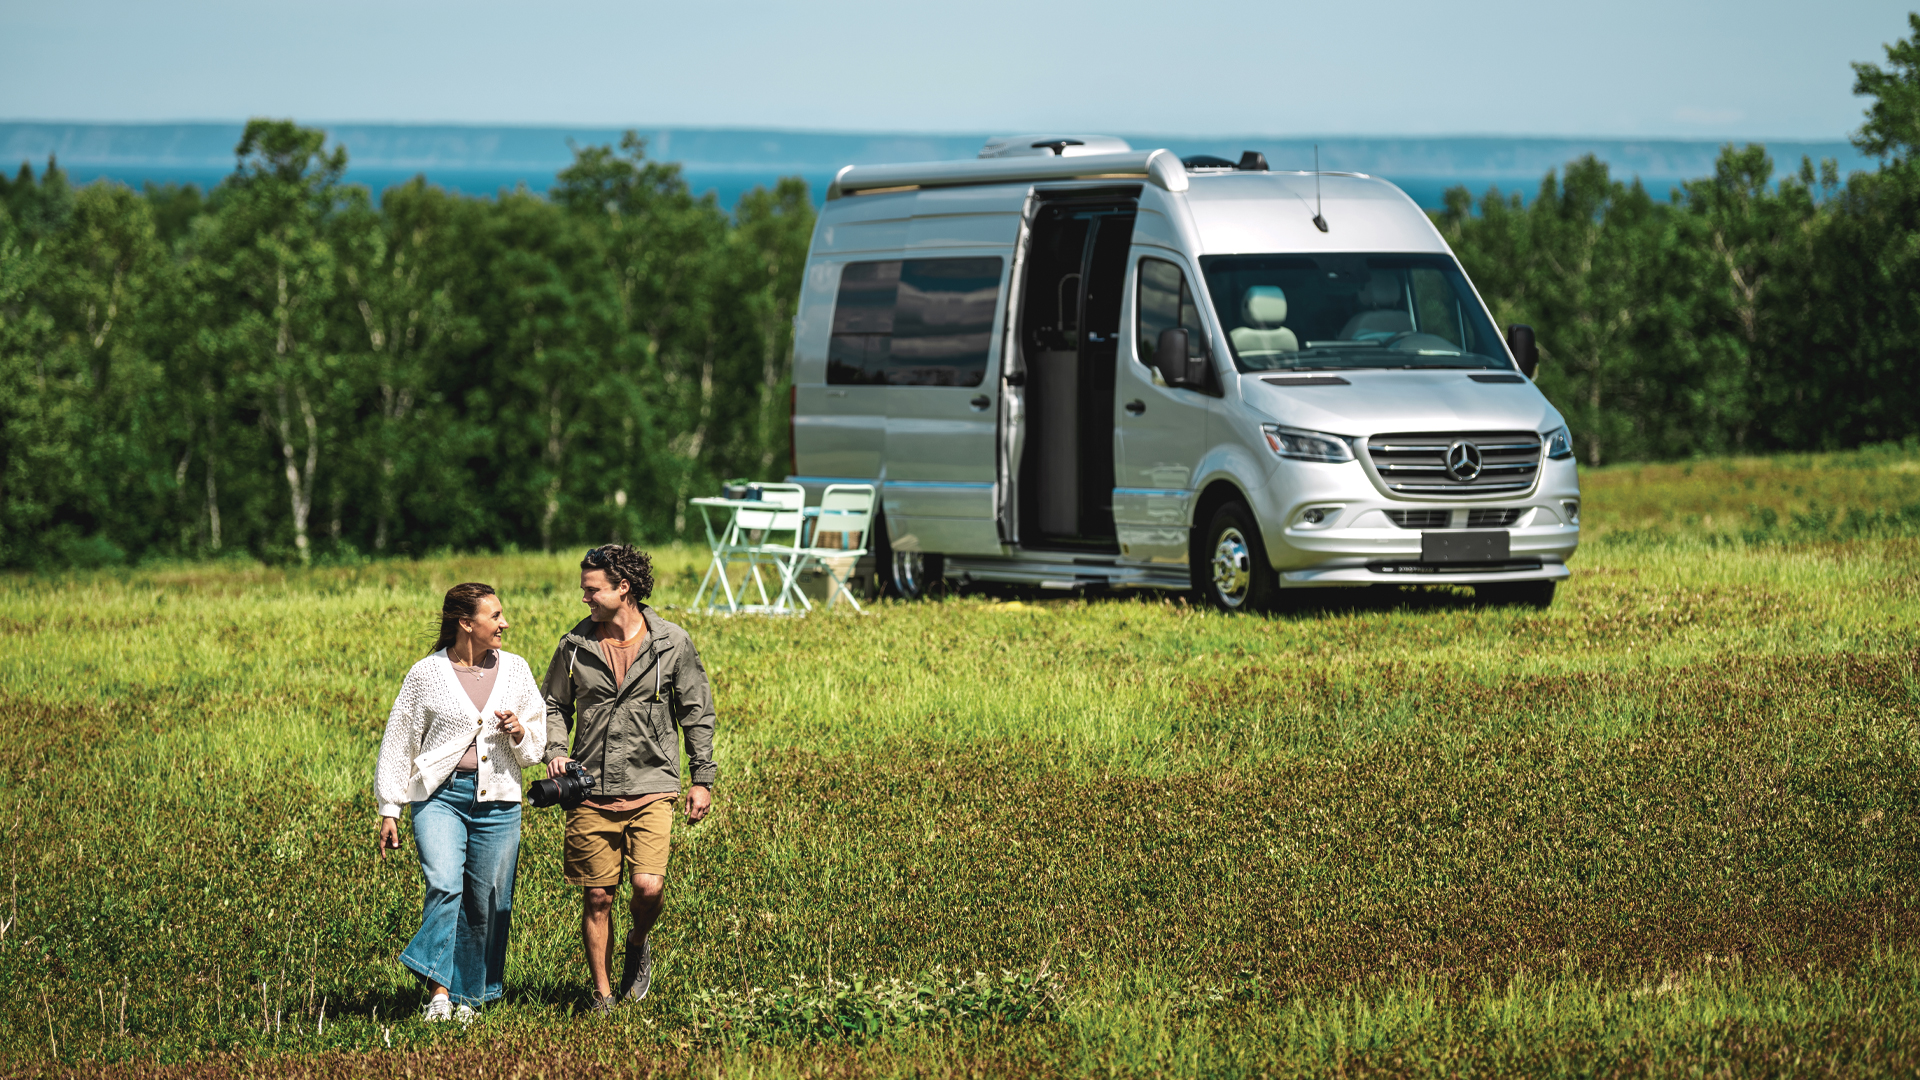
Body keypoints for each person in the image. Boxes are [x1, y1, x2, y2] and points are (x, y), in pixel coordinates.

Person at [542, 544, 717, 1014]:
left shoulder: (672, 643)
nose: (585, 598)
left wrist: (703, 779)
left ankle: (638, 945)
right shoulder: (574, 647)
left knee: (647, 887)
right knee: (597, 895)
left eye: (592, 590)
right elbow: (553, 706)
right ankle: (601, 995)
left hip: (652, 783)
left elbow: (697, 713)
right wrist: (556, 752)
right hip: (589, 787)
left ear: (624, 588)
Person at [374, 583, 548, 1022]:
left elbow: (535, 748)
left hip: (500, 799)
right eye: (496, 616)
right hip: (439, 798)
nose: (504, 623)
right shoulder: (425, 674)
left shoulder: (516, 669)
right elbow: (400, 741)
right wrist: (389, 808)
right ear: (466, 624)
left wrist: (518, 731)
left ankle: (469, 999)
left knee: (487, 900)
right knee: (445, 886)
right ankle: (438, 994)